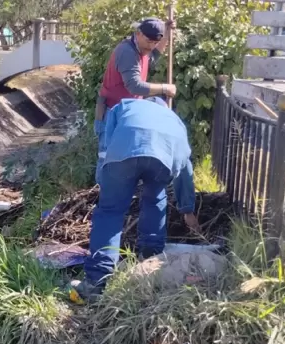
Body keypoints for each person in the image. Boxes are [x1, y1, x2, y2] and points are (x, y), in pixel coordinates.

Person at [73, 97, 201, 302]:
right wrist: (187, 209)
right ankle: (150, 260)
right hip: (163, 160)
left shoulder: (124, 105)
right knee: (155, 200)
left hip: (124, 152)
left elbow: (105, 146)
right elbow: (185, 168)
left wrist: (103, 180)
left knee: (110, 212)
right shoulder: (174, 119)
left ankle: (97, 282)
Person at [95, 18, 177, 181]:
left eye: (155, 42)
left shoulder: (143, 50)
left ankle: (119, 193)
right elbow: (135, 86)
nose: (152, 46)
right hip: (111, 114)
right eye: (149, 41)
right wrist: (164, 88)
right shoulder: (127, 52)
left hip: (128, 112)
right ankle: (102, 197)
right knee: (107, 158)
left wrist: (167, 34)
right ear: (138, 34)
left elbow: (154, 55)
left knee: (125, 157)